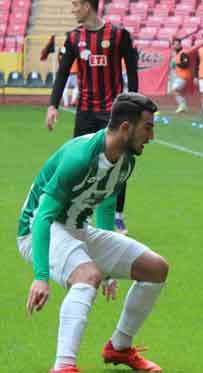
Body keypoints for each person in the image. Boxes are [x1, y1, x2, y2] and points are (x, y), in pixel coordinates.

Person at [21, 93, 168, 373]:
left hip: (78, 228)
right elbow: (42, 217)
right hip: (36, 230)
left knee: (156, 269)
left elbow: (107, 203)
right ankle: (63, 366)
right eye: (148, 127)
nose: (151, 136)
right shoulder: (80, 157)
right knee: (88, 275)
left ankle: (120, 347)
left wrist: (110, 264)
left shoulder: (126, 160)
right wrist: (40, 277)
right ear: (126, 127)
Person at [46, 0, 138, 236]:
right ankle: (79, 214)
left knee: (117, 163)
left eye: (76, 4)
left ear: (87, 6)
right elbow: (63, 72)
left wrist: (136, 108)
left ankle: (117, 215)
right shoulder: (74, 38)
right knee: (82, 164)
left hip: (113, 113)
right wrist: (53, 105)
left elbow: (132, 72)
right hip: (85, 113)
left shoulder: (118, 35)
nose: (72, 9)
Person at [171, 38, 190, 114]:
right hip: (179, 75)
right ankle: (183, 106)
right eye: (174, 44)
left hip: (183, 76)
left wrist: (177, 64)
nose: (176, 46)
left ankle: (182, 105)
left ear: (180, 44)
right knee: (176, 90)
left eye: (177, 44)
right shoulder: (176, 54)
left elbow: (186, 64)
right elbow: (174, 65)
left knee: (174, 89)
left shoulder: (183, 53)